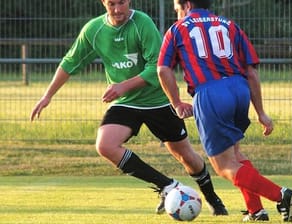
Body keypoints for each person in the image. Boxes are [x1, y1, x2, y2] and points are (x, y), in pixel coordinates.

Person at [30, 0, 228, 216]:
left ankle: (212, 198)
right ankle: (168, 186)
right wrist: (47, 96)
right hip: (126, 102)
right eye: (111, 4)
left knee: (185, 155)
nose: (117, 9)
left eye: (122, 3)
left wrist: (123, 86)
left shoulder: (142, 23)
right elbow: (70, 61)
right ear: (103, 3)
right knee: (105, 145)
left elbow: (158, 68)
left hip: (158, 100)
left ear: (129, 2)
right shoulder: (94, 30)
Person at [157, 0, 292, 222]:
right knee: (236, 155)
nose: (176, 11)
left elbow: (163, 69)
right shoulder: (230, 25)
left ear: (187, 4)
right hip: (239, 89)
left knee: (223, 166)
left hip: (211, 92)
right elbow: (251, 71)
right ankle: (256, 211)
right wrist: (260, 112)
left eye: (176, 6)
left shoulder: (178, 29)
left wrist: (176, 103)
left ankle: (280, 195)